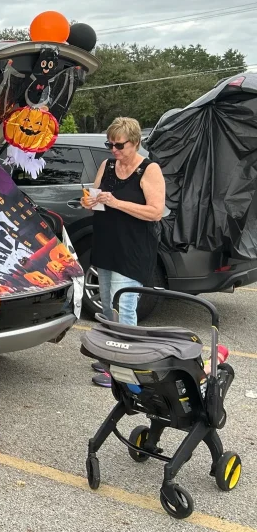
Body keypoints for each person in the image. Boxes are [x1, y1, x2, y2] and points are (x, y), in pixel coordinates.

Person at [81, 117, 165, 387]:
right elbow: (95, 199)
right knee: (107, 305)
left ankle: (125, 366)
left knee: (124, 306)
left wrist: (116, 202)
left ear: (136, 142)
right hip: (107, 243)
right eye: (110, 145)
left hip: (133, 248)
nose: (114, 151)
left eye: (119, 145)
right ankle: (110, 356)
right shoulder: (107, 165)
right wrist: (89, 201)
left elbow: (155, 212)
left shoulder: (149, 170)